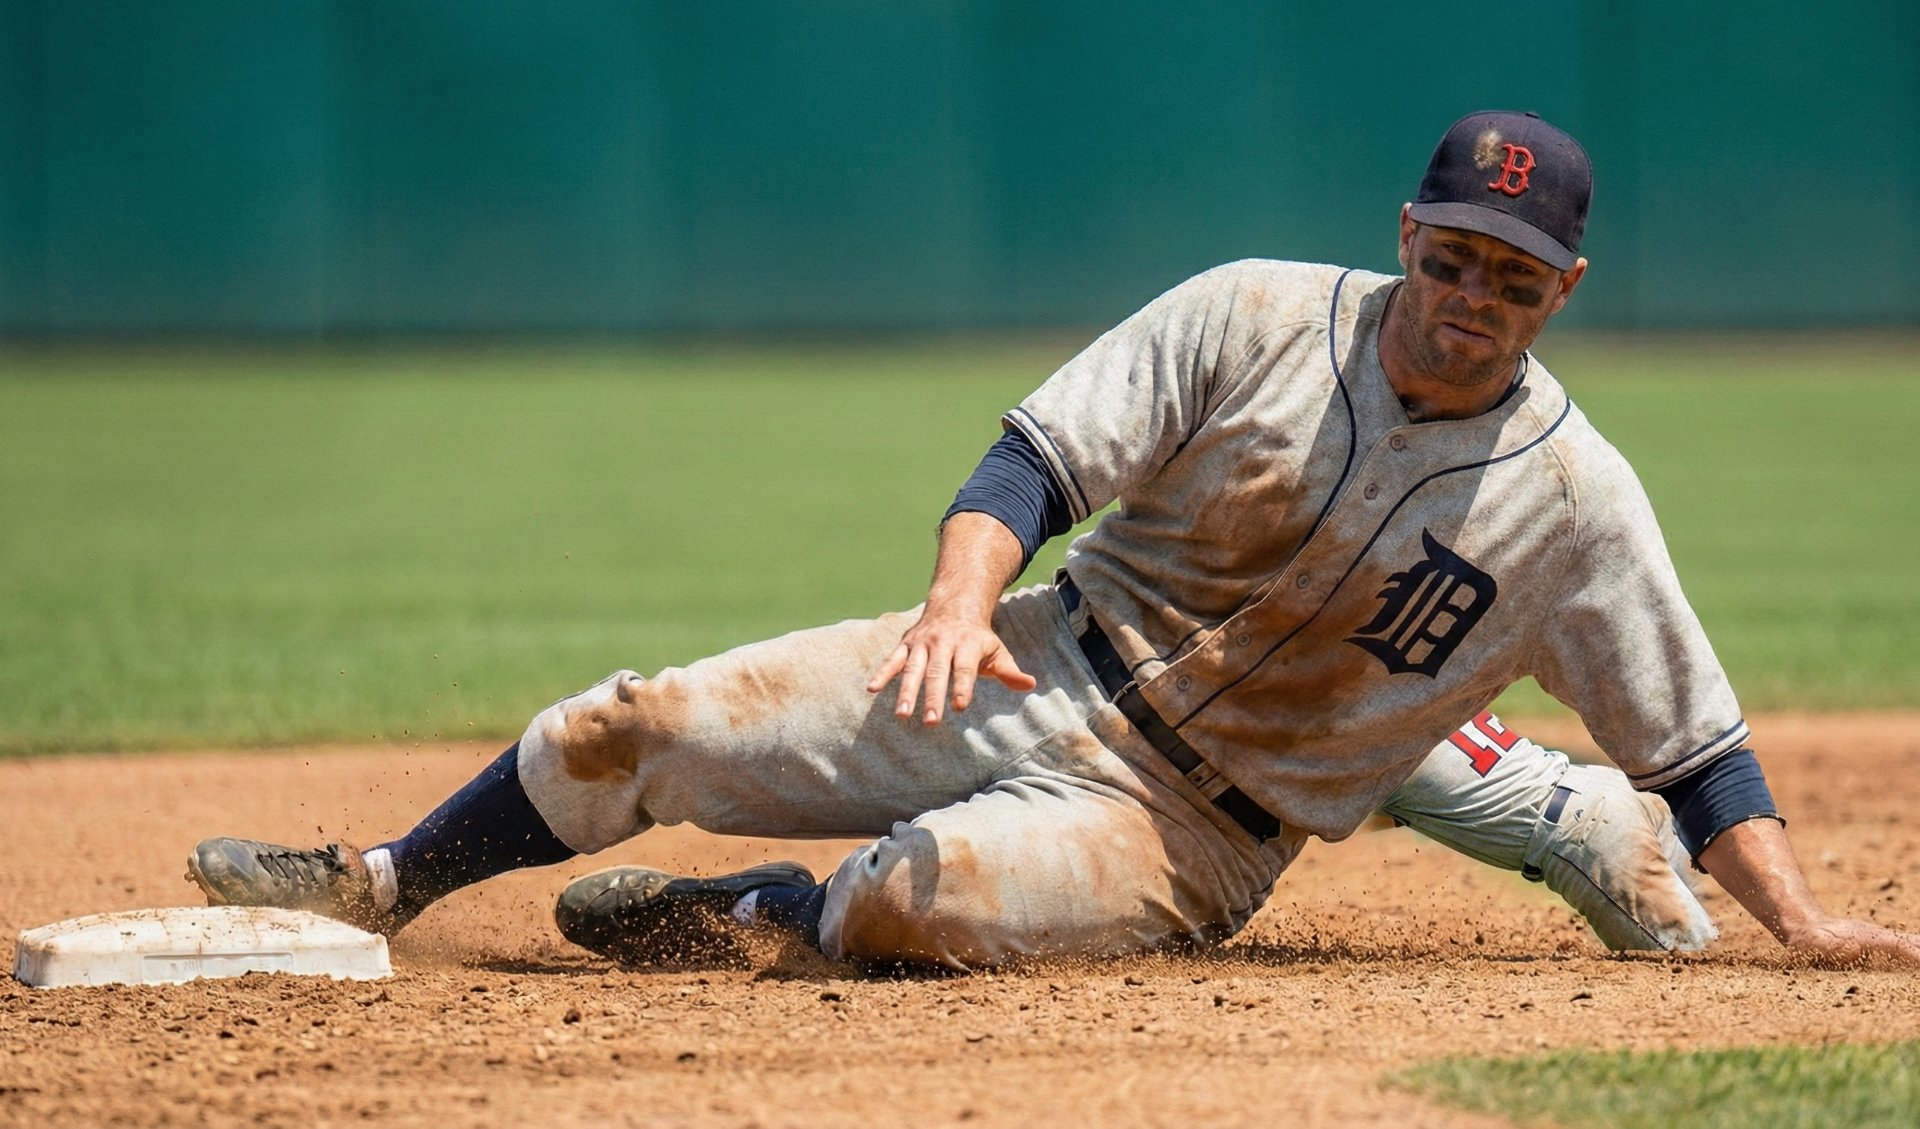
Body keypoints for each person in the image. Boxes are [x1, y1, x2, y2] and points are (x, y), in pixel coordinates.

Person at [190, 111, 1916, 970]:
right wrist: (959, 600)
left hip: (1193, 833)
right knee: (637, 721)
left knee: (902, 906)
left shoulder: (1581, 504)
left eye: (1514, 277)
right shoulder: (1254, 313)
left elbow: (1698, 745)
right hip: (1039, 663)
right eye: (1453, 254)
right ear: (1410, 233)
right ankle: (384, 885)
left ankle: (750, 915)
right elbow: (1032, 460)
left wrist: (1807, 925)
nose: (1472, 298)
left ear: (1566, 291)